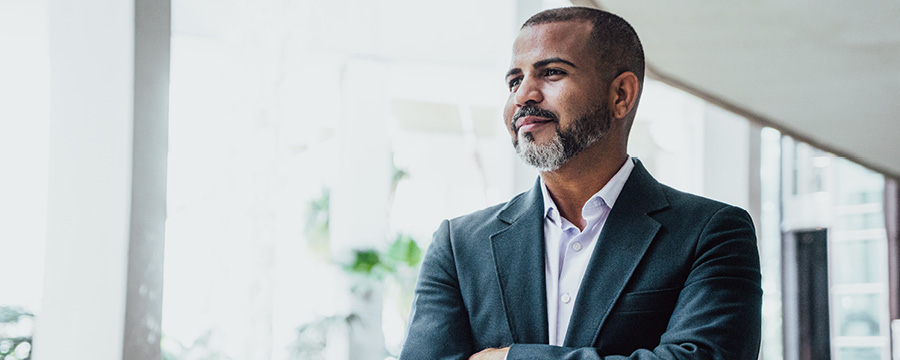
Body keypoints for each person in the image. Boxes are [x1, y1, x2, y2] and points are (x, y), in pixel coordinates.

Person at [399, 6, 762, 360]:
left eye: (552, 72)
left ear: (620, 95)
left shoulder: (712, 233)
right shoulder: (459, 246)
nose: (523, 96)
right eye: (514, 81)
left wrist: (512, 358)